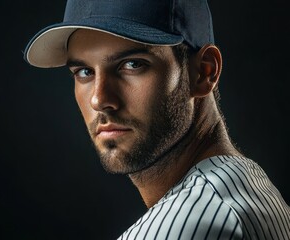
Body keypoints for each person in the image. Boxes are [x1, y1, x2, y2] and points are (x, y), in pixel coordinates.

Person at [23, 0, 290, 239]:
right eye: (83, 71)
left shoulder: (190, 225)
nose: (99, 99)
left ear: (203, 72)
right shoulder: (249, 187)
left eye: (132, 64)